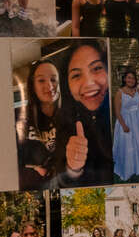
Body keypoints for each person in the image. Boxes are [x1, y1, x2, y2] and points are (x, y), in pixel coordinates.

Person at [47, 42, 114, 187]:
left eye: (96, 68)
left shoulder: (123, 112)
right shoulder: (64, 123)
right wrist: (73, 169)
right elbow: (61, 181)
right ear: (67, 86)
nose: (89, 83)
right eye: (76, 75)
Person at [17, 54, 63, 191]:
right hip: (31, 192)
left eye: (53, 79)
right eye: (41, 80)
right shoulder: (19, 117)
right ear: (33, 86)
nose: (49, 85)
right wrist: (36, 169)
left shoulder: (71, 117)